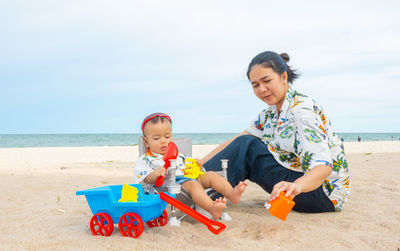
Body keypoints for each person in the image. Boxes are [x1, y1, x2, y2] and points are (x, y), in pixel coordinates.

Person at [202, 51, 350, 213]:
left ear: (284, 77)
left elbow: (323, 167)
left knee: (248, 147)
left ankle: (198, 190)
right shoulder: (270, 113)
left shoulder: (301, 112)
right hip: (297, 181)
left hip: (320, 193)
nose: (262, 89)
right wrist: (201, 161)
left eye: (267, 81)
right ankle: (197, 183)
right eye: (255, 85)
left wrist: (296, 186)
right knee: (245, 142)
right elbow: (238, 140)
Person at [134, 112, 247, 219]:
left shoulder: (179, 155)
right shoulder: (146, 159)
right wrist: (154, 174)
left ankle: (232, 194)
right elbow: (145, 179)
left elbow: (189, 166)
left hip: (190, 177)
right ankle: (211, 208)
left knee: (211, 175)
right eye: (156, 138)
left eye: (167, 136)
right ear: (146, 142)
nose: (163, 141)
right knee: (193, 184)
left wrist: (197, 164)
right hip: (172, 184)